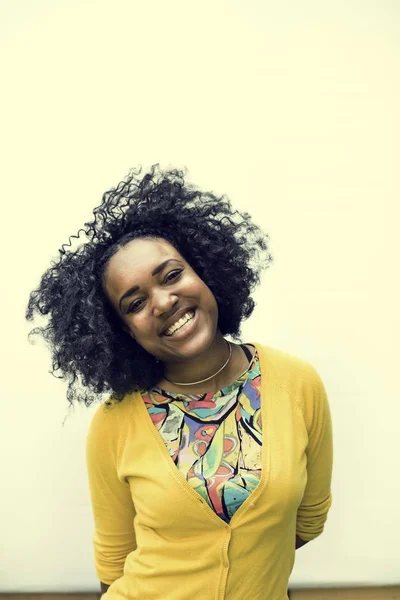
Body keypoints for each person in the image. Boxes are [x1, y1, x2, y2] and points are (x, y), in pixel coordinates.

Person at [26, 165, 333, 600]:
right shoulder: (115, 422)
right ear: (122, 332)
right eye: (135, 303)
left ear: (204, 270)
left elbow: (309, 520)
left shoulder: (296, 382)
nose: (164, 301)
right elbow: (114, 565)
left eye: (171, 275)